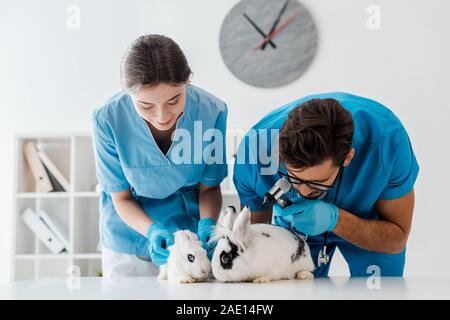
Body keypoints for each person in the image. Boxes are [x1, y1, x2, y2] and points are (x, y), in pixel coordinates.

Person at [233, 93, 419, 277]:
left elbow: (397, 238)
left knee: (380, 293)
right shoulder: (254, 151)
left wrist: (335, 219)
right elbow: (255, 238)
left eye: (317, 184)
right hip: (296, 225)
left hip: (370, 223)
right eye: (294, 178)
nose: (304, 192)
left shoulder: (388, 141)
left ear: (348, 158)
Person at [92, 34, 227, 277]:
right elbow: (120, 198)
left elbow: (210, 188)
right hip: (128, 237)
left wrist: (208, 224)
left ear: (188, 81)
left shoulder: (212, 112)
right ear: (127, 93)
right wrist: (152, 231)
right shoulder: (107, 120)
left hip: (188, 235)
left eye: (174, 100)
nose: (162, 116)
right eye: (145, 106)